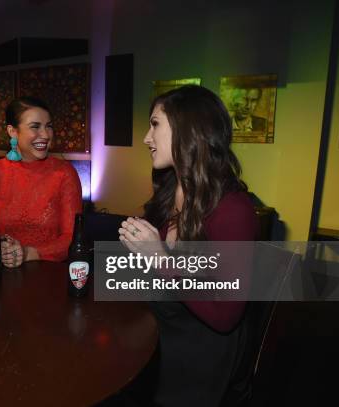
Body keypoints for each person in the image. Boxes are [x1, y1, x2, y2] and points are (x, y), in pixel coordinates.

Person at [118, 85, 259, 406]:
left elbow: (225, 314)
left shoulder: (233, 208)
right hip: (160, 335)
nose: (145, 138)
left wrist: (160, 258)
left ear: (188, 128)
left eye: (154, 124)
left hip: (199, 358)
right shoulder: (169, 191)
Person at [0, 97, 82, 267]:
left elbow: (73, 237)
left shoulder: (64, 173)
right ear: (12, 131)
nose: (46, 135)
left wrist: (29, 253)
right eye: (35, 127)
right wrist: (0, 249)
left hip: (50, 276)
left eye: (49, 126)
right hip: (4, 275)